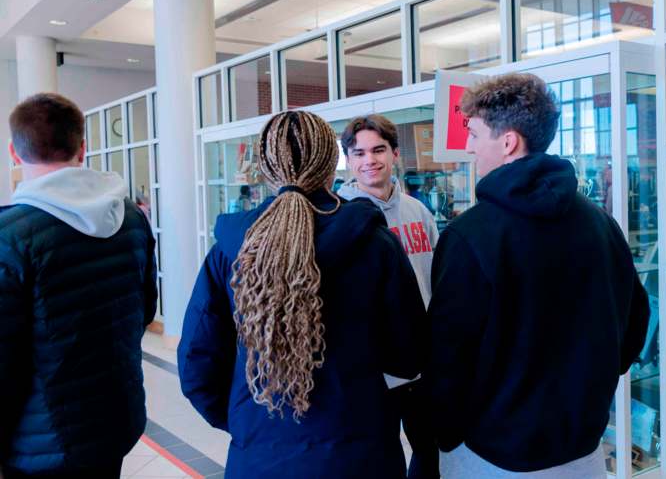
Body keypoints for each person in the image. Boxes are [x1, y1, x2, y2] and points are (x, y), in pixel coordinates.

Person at [178, 110, 427, 478]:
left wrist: (245, 420)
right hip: (359, 449)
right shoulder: (375, 244)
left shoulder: (230, 250)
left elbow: (197, 364)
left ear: (266, 167)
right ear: (332, 165)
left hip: (261, 454)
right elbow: (408, 356)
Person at [424, 73, 650, 478]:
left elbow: (447, 360)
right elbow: (635, 327)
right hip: (583, 449)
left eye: (473, 134)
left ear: (508, 141)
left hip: (492, 453)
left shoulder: (468, 235)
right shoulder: (601, 223)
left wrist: (446, 435)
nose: (469, 148)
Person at [0, 93, 158, 478]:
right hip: (114, 420)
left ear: (14, 153)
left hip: (41, 442)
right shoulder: (130, 218)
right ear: (82, 148)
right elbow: (145, 310)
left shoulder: (11, 236)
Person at [338, 114, 440, 479]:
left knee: (432, 453)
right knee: (377, 461)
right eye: (359, 152)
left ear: (395, 153)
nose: (370, 160)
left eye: (378, 150)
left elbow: (438, 282)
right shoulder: (339, 217)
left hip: (422, 363)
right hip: (371, 371)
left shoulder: (418, 211)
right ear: (348, 160)